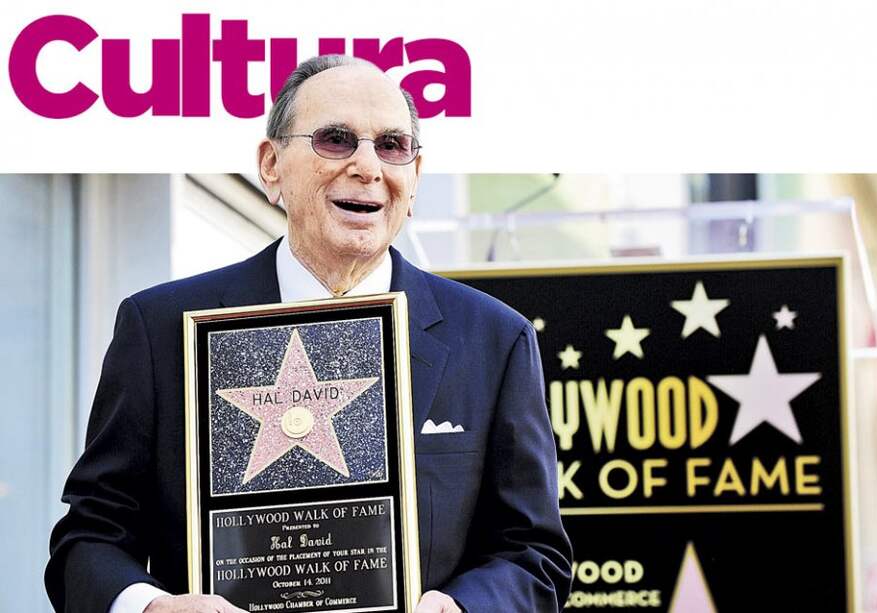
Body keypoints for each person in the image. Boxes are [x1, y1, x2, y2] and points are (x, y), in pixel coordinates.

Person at [46, 55, 572, 613]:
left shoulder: (494, 340)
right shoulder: (159, 329)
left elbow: (535, 553)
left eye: (392, 146)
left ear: (414, 178)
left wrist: (463, 609)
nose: (369, 166)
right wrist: (148, 607)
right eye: (336, 140)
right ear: (271, 165)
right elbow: (89, 540)